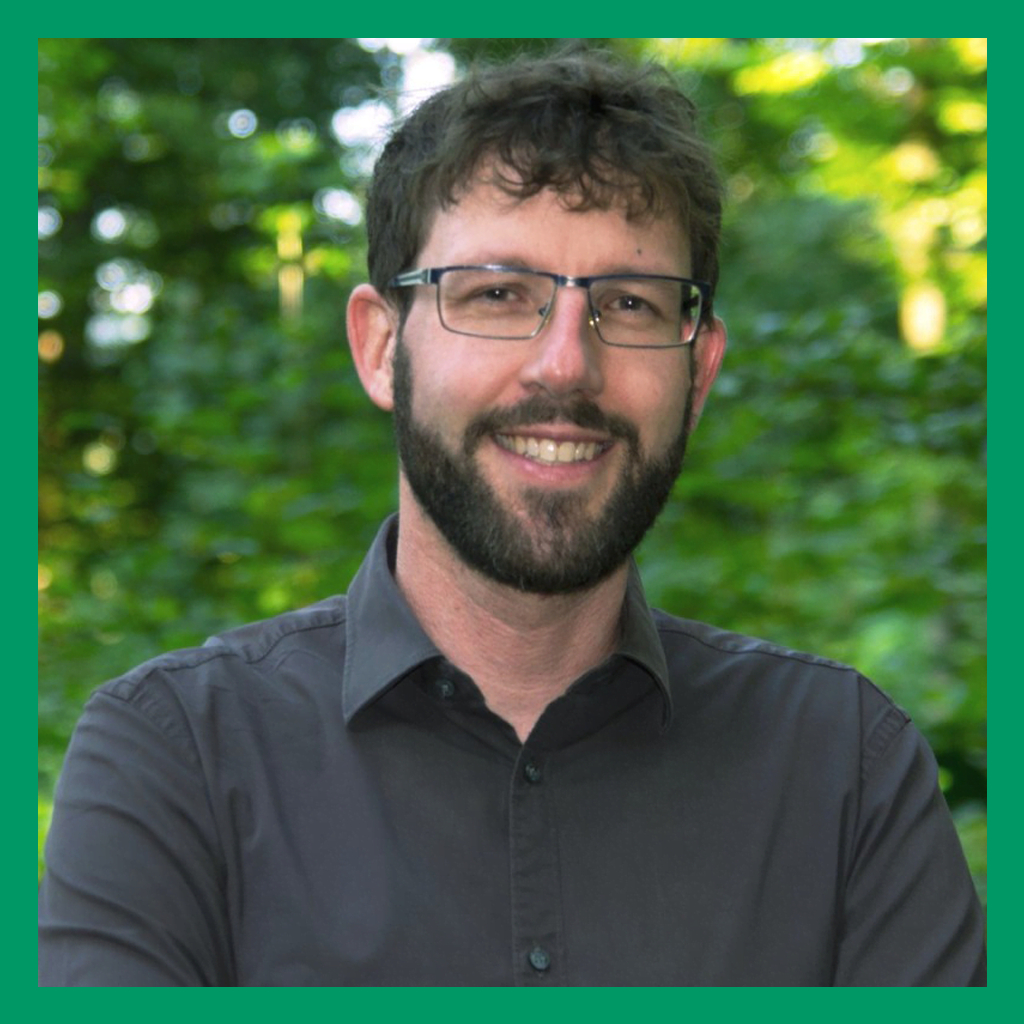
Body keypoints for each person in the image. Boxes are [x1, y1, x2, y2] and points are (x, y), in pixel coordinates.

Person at [39, 49, 986, 987]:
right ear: (379, 347)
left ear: (697, 373)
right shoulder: (176, 755)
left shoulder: (842, 768)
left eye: (629, 302)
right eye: (499, 294)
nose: (565, 365)